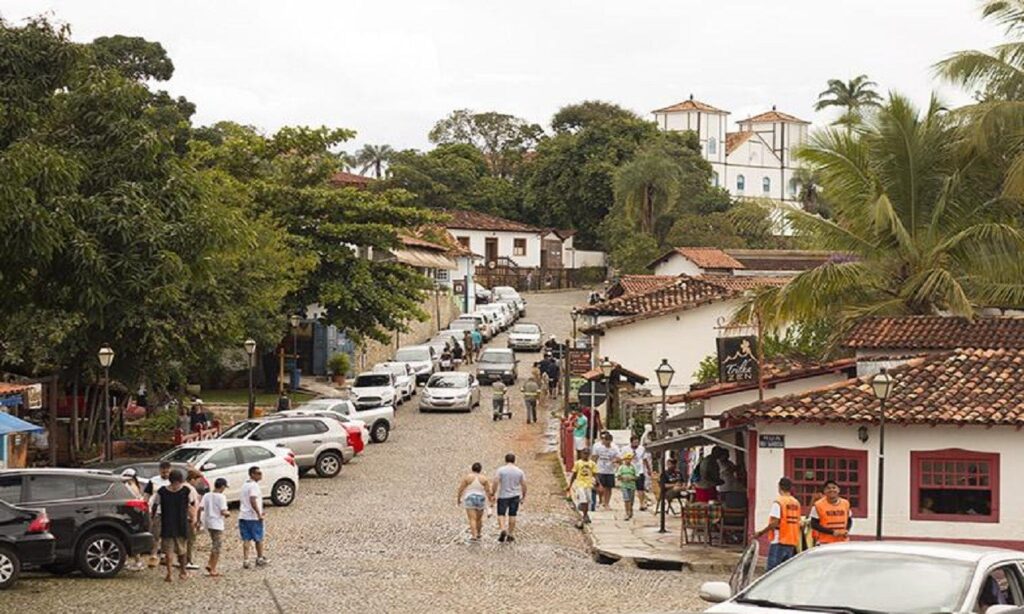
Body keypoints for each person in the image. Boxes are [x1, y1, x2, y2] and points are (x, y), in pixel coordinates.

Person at [151, 469, 194, 582]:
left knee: (168, 551)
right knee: (182, 550)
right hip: (180, 524)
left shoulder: (162, 491)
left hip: (167, 524)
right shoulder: (185, 491)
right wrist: (193, 519)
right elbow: (190, 505)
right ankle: (183, 572)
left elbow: (155, 505)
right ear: (181, 480)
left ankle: (169, 574)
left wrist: (152, 518)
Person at [754, 477, 802, 571]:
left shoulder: (779, 502)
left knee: (772, 572)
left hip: (779, 540)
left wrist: (760, 532)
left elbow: (774, 523)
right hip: (791, 540)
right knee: (784, 571)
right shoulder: (796, 503)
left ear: (779, 487)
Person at [492, 453, 527, 543]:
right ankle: (510, 534)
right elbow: (524, 484)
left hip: (503, 495)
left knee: (501, 514)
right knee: (512, 514)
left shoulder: (501, 470)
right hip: (515, 495)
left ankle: (503, 529)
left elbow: (496, 482)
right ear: (514, 460)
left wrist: (493, 493)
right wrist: (523, 496)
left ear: (505, 460)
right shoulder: (519, 471)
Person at [144, 461, 173, 567]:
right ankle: (154, 554)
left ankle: (164, 555)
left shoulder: (173, 481)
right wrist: (146, 506)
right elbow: (147, 495)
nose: (165, 474)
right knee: (155, 534)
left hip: (170, 512)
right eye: (163, 472)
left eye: (167, 472)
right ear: (160, 470)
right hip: (156, 511)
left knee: (167, 535)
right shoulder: (153, 481)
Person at [200, 477, 230, 576]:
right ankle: (212, 567)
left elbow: (201, 507)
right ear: (222, 487)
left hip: (208, 522)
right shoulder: (221, 497)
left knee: (214, 543)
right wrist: (227, 514)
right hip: (217, 523)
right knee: (217, 546)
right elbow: (223, 511)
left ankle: (210, 563)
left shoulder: (207, 495)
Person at [239, 466, 267, 569]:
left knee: (246, 539)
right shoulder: (254, 486)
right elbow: (253, 499)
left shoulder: (244, 485)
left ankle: (246, 559)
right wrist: (259, 513)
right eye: (258, 473)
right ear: (252, 474)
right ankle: (259, 557)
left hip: (243, 515)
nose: (261, 475)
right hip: (253, 516)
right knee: (258, 538)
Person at [456, 463, 493, 541]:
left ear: (472, 468)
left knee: (472, 519)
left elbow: (461, 489)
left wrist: (458, 499)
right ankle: (479, 533)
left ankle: (474, 535)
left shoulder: (468, 477)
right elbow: (488, 491)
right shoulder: (484, 479)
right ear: (480, 469)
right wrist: (490, 501)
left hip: (470, 498)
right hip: (480, 499)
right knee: (479, 519)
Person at [810, 480, 852, 546]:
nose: (831, 490)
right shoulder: (818, 505)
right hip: (825, 542)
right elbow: (814, 524)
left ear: (838, 490)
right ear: (824, 491)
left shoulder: (845, 503)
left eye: (834, 488)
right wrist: (832, 532)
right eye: (828, 488)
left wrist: (846, 530)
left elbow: (849, 520)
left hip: (842, 541)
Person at [121, 469, 147, 571]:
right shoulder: (137, 486)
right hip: (135, 515)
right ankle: (134, 561)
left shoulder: (129, 486)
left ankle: (136, 561)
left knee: (127, 538)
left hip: (131, 515)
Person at [566, 447, 598, 528]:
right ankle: (584, 515)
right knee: (583, 499)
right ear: (581, 454)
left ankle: (585, 514)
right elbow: (574, 474)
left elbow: (595, 474)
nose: (585, 455)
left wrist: (598, 484)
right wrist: (570, 485)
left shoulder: (592, 464)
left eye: (587, 454)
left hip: (588, 484)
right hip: (580, 484)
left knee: (588, 500)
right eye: (584, 453)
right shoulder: (578, 463)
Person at [591, 432, 620, 511]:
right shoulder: (599, 447)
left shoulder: (614, 448)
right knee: (600, 487)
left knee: (609, 488)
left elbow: (618, 458)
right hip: (600, 469)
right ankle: (601, 501)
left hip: (610, 470)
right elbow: (594, 457)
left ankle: (606, 503)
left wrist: (615, 460)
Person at [183, 469, 204, 571]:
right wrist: (193, 519)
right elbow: (190, 505)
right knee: (190, 540)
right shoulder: (190, 489)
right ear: (192, 479)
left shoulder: (183, 487)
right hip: (189, 518)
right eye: (198, 480)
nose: (198, 483)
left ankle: (184, 560)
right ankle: (187, 560)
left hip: (184, 517)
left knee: (184, 540)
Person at [629, 436, 652, 511]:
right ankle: (629, 504)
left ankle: (641, 503)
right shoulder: (626, 449)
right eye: (635, 442)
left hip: (640, 470)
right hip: (630, 471)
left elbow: (645, 459)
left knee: (640, 488)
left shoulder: (642, 449)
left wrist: (648, 469)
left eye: (637, 442)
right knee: (630, 489)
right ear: (631, 442)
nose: (636, 444)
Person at [616, 451, 639, 521]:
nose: (628, 460)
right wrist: (624, 478)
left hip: (632, 485)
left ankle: (630, 510)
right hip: (624, 485)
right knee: (626, 499)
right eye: (626, 459)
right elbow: (618, 476)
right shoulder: (621, 467)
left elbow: (637, 476)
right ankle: (627, 512)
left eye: (629, 459)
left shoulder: (633, 467)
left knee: (631, 500)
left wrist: (632, 478)